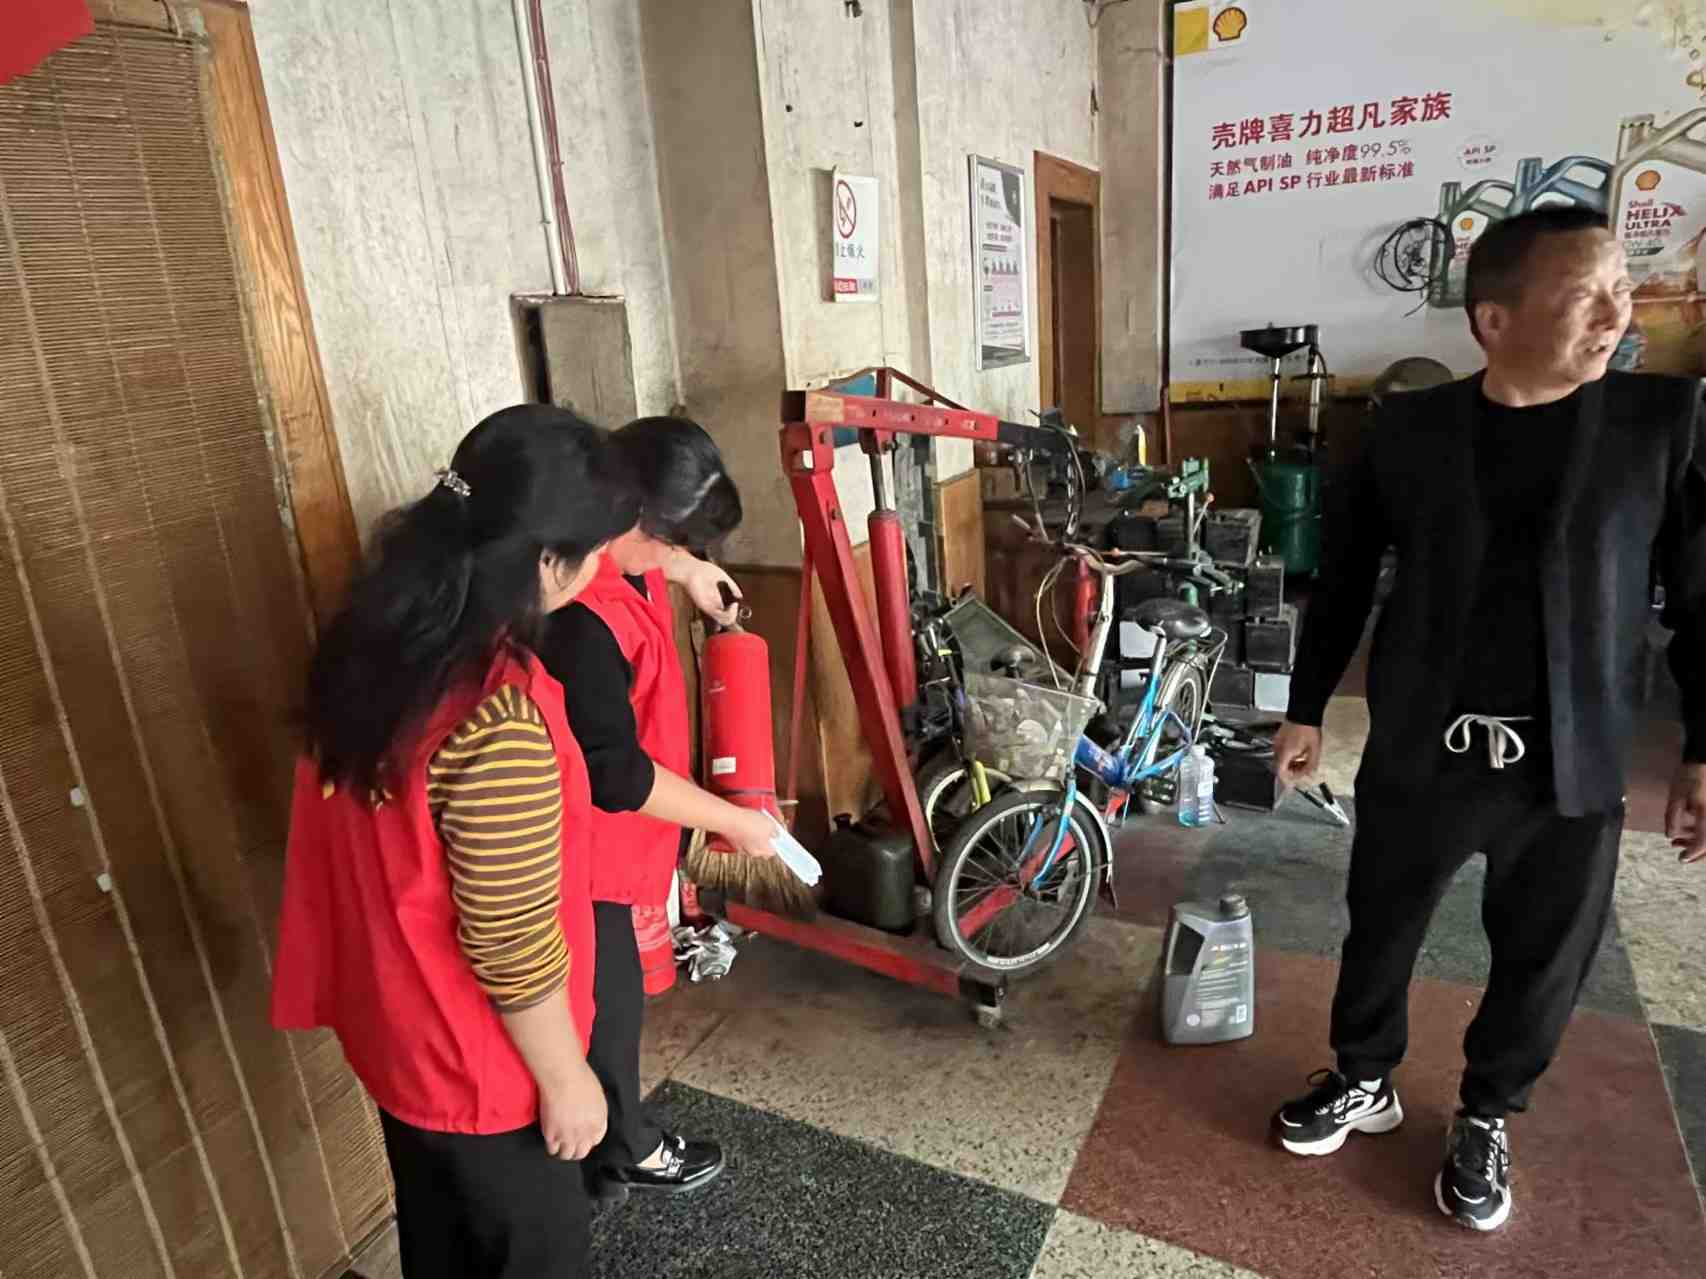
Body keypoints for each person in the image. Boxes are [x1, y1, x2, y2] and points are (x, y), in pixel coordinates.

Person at [1269, 207, 1706, 1232]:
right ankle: (1363, 1075)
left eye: (1621, 290)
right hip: (1424, 742)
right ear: (1492, 319)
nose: (1615, 316)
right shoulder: (1407, 431)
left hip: (1571, 759)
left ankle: (1485, 1112)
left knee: (1543, 953)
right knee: (1380, 923)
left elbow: (1700, 599)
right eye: (1584, 295)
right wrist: (1303, 708)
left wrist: (1702, 747)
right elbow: (1341, 581)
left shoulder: (1659, 423)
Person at [270, 405, 638, 1277]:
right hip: (489, 1073)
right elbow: (510, 937)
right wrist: (568, 1079)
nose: (600, 568)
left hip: (405, 1042)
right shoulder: (496, 718)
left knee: (441, 1247)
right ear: (545, 562)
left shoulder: (380, 648)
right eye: (594, 552)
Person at [537, 415, 775, 1201]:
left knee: (617, 994)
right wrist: (732, 820)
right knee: (608, 1003)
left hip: (624, 841)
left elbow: (647, 554)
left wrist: (685, 568)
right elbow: (614, 773)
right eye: (669, 538)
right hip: (587, 848)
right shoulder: (574, 612)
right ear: (626, 511)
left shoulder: (615, 554)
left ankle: (606, 1144)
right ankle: (621, 1147)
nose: (672, 552)